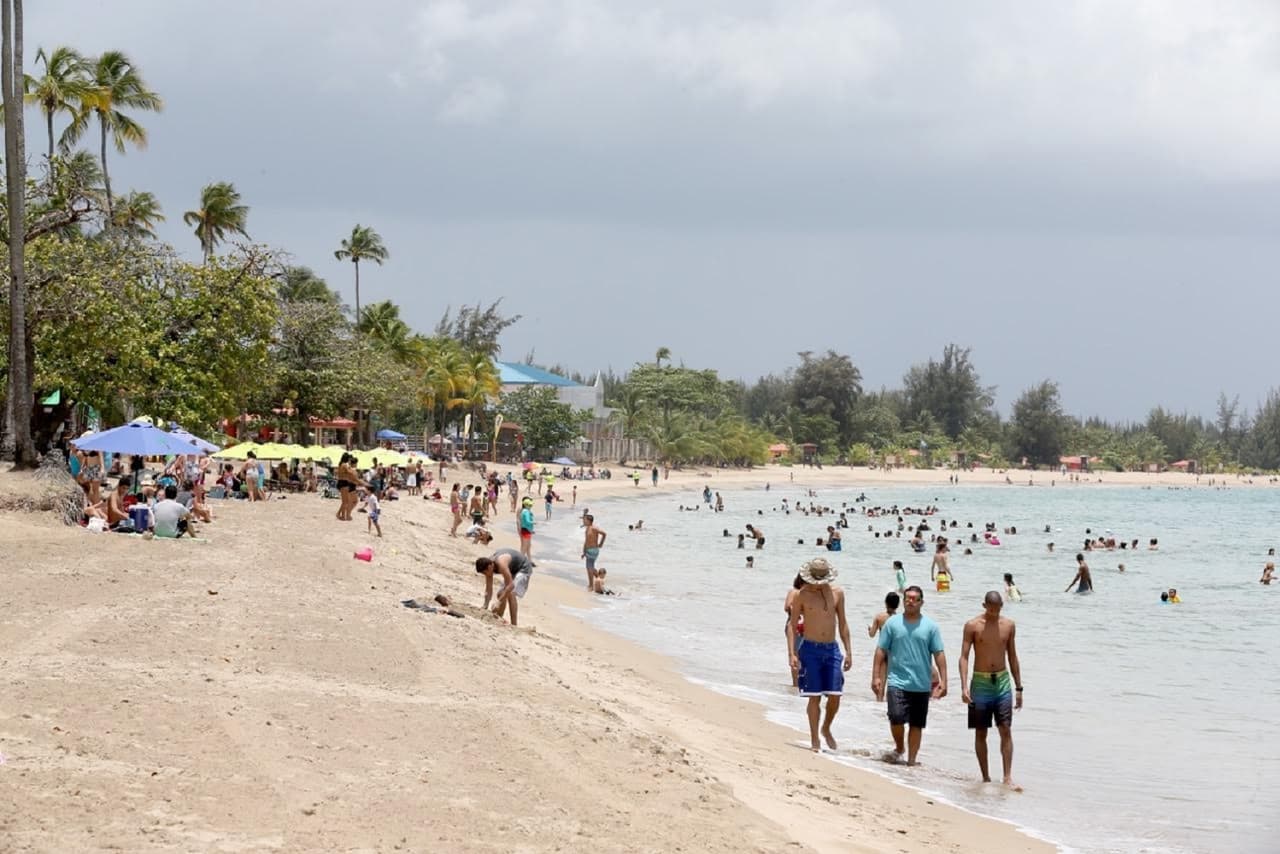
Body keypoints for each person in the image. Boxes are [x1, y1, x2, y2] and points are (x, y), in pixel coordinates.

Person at [872, 585, 947, 765]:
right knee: (896, 717)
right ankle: (899, 747)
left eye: (915, 598)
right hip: (897, 681)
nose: (911, 601)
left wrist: (944, 681)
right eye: (908, 598)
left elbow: (939, 654)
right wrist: (876, 676)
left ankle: (911, 762)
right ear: (904, 600)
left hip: (921, 683)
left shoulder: (931, 627)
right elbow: (881, 650)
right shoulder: (892, 623)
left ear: (921, 602)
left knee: (917, 724)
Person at [786, 558, 852, 753]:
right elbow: (792, 624)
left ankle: (826, 727)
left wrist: (849, 651)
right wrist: (792, 653)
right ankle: (815, 739)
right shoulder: (801, 595)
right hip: (810, 649)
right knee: (814, 697)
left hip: (831, 648)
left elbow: (843, 623)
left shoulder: (837, 594)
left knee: (835, 695)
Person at [959, 591, 1023, 789]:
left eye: (998, 610)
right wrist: (963, 686)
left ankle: (1007, 777)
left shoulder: (1009, 625)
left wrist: (1019, 687)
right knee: (981, 732)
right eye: (991, 610)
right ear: (984, 605)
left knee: (1005, 729)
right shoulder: (972, 625)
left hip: (1002, 682)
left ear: (1002, 606)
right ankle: (985, 777)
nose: (995, 613)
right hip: (980, 683)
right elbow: (964, 657)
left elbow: (1012, 656)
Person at [475, 548, 533, 627]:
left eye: (485, 572)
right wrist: (485, 605)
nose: (486, 575)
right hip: (512, 569)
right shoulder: (487, 565)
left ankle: (514, 624)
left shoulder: (501, 563)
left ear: (490, 566)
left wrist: (498, 602)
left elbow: (511, 586)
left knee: (511, 593)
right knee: (500, 594)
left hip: (523, 568)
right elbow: (489, 588)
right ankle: (498, 617)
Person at [582, 513, 607, 590]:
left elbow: (604, 534)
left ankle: (591, 585)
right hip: (588, 550)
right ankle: (599, 578)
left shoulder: (594, 528)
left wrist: (601, 544)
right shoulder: (587, 529)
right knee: (590, 567)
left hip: (593, 550)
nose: (583, 521)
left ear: (589, 521)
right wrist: (584, 552)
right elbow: (586, 541)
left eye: (584, 519)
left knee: (589, 567)